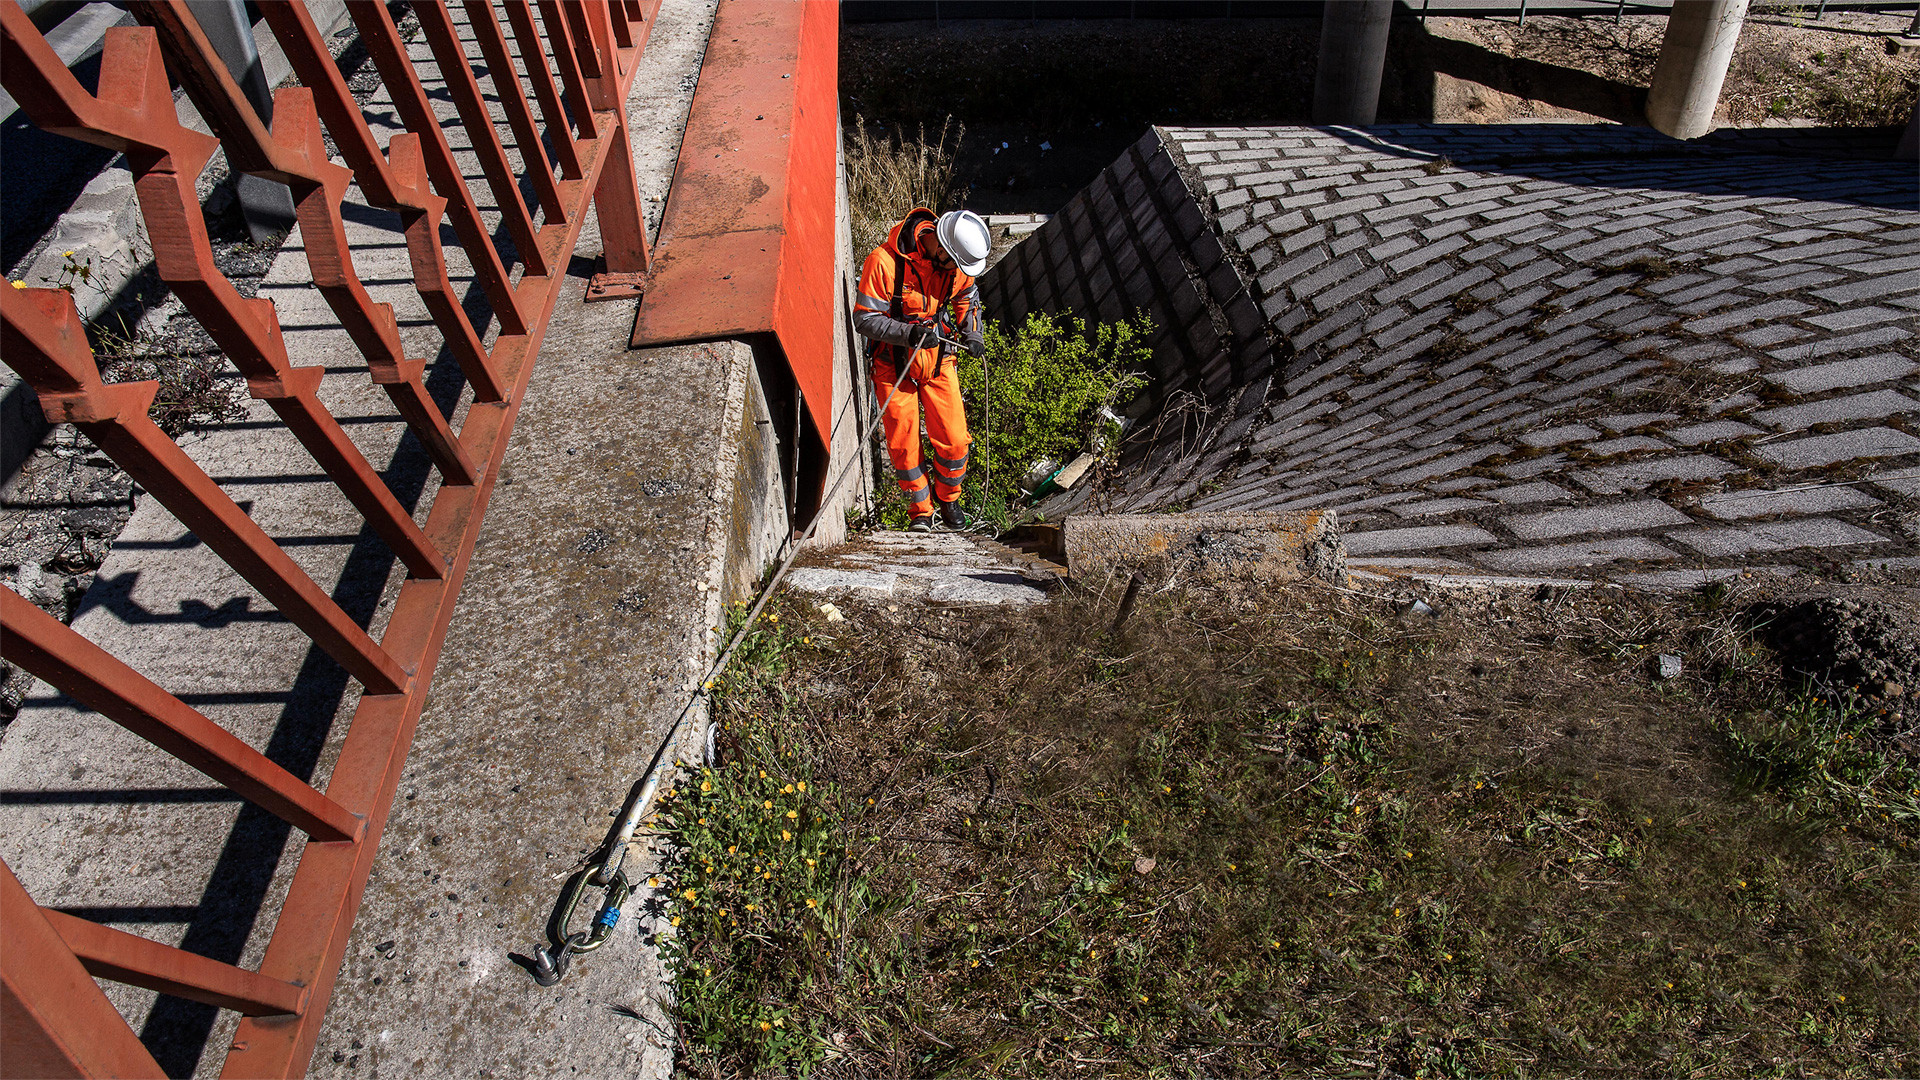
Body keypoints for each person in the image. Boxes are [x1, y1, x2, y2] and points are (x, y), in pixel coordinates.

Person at [854, 207, 991, 532]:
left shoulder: (956, 266)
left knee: (956, 440)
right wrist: (910, 333)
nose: (959, 270)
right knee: (904, 443)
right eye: (956, 264)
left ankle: (949, 498)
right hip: (892, 363)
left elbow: (966, 300)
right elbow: (865, 319)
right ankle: (921, 511)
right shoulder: (884, 263)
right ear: (942, 248)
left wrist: (972, 333)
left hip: (937, 357)